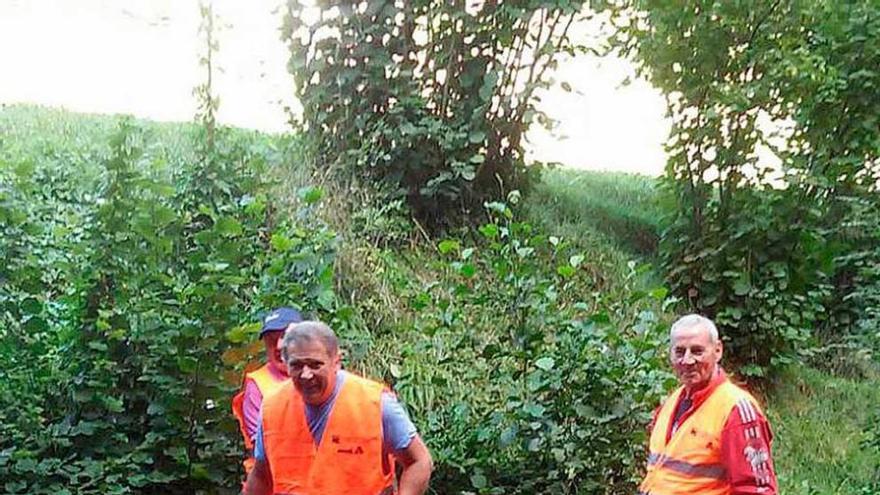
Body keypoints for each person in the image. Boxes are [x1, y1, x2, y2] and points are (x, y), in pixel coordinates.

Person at [244, 321, 433, 495]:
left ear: (336, 361)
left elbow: (419, 461)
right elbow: (261, 476)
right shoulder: (272, 408)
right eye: (297, 365)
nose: (306, 375)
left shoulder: (375, 404)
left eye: (315, 364)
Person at [639, 314, 778, 495]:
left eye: (697, 351)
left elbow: (757, 490)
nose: (687, 361)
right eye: (679, 352)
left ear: (718, 350)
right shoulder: (671, 402)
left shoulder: (735, 409)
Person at [232, 307, 303, 476]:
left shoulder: (321, 374)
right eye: (271, 340)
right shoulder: (257, 384)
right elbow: (262, 445)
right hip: (273, 479)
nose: (278, 346)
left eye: (285, 337)